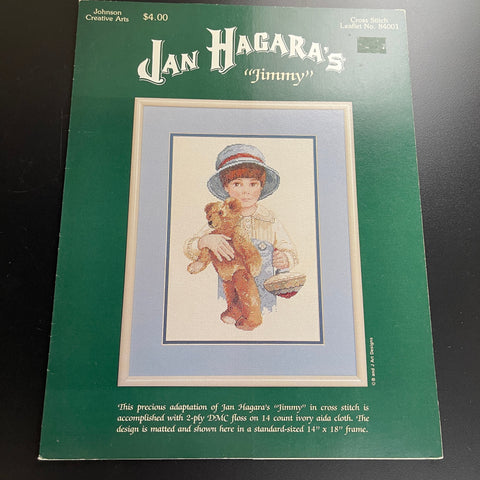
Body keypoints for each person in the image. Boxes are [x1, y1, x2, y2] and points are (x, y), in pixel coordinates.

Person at [184, 144, 298, 312]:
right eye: (237, 184)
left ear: (261, 186)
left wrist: (285, 258)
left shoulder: (270, 220)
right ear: (226, 187)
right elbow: (190, 247)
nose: (246, 191)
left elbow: (289, 249)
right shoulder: (220, 218)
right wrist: (205, 241)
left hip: (265, 296)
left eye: (253, 184)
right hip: (229, 295)